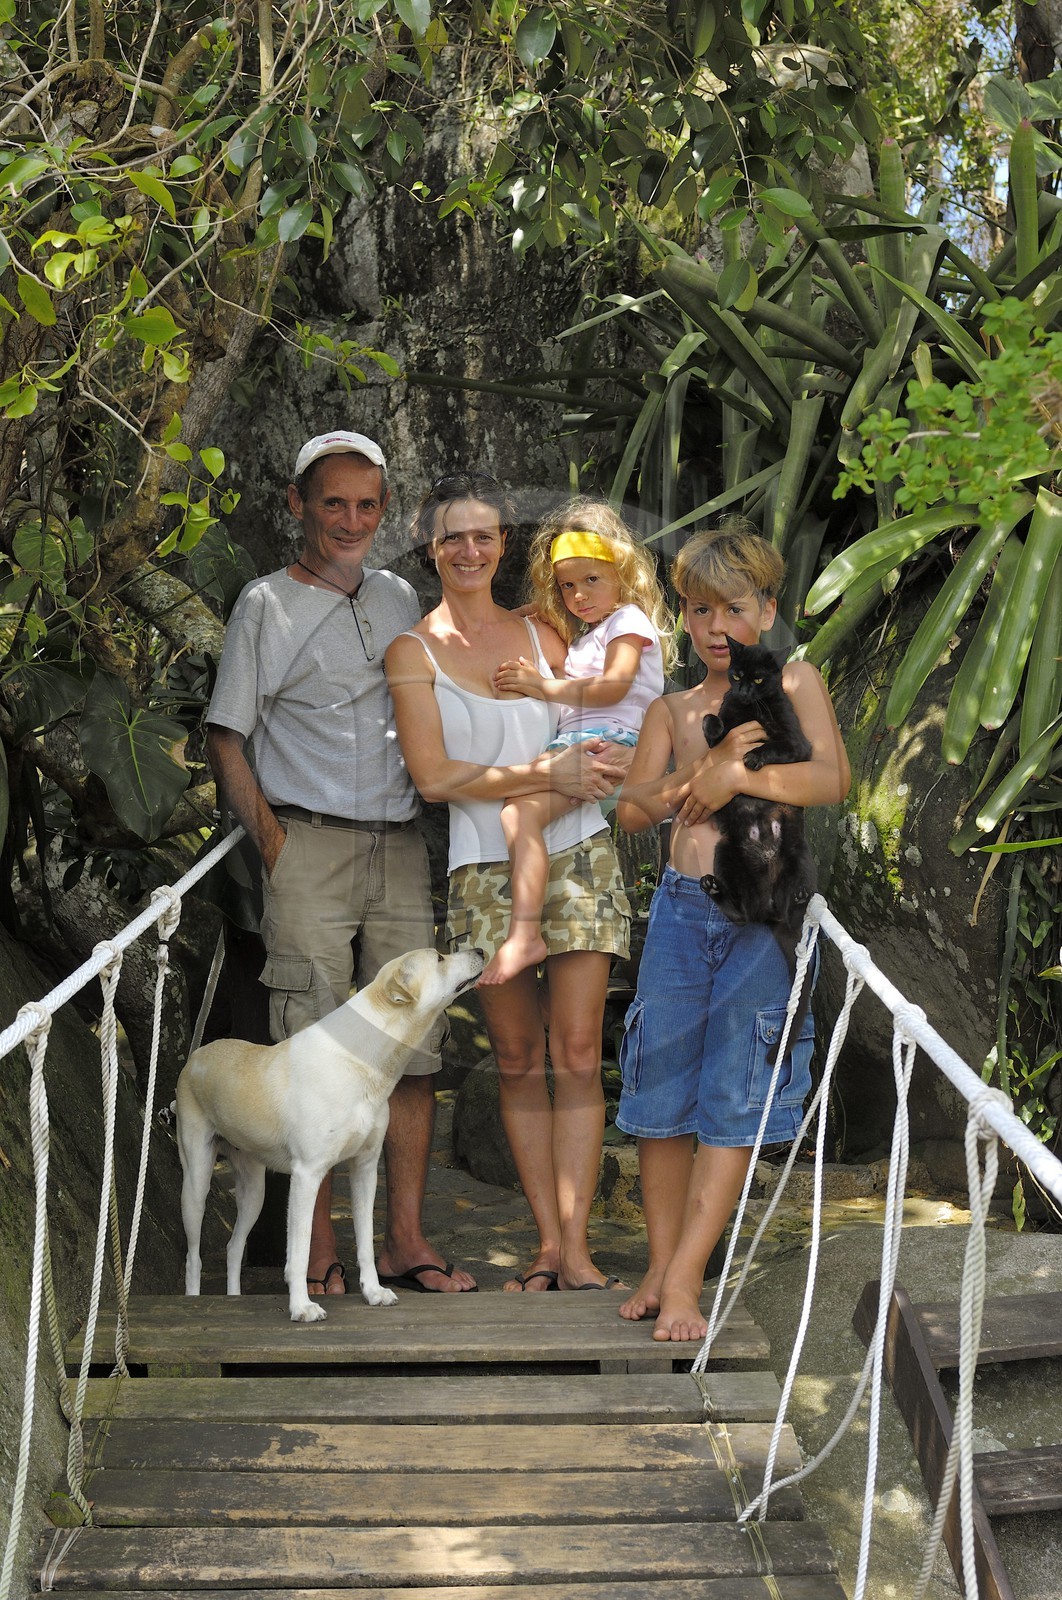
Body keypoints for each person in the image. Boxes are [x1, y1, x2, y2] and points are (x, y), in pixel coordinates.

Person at [205, 430, 476, 1297]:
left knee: (413, 1044)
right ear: (298, 505)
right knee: (308, 1045)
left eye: (366, 505)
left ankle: (404, 1242)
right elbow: (226, 736)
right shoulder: (264, 604)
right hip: (307, 843)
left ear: (383, 509)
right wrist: (275, 845)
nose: (350, 521)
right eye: (333, 503)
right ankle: (314, 1254)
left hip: (400, 844)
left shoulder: (398, 596)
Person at [384, 472, 633, 1292]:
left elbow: (605, 710)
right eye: (453, 536)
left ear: (502, 544)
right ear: (429, 546)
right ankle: (547, 1246)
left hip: (579, 852)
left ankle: (579, 1250)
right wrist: (542, 773)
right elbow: (433, 777)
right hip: (483, 869)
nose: (470, 550)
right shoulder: (412, 651)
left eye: (484, 535)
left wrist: (606, 765)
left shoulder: (543, 631)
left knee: (578, 1052)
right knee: (519, 1060)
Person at [614, 525, 851, 1341]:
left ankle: (686, 1277)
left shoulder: (795, 680)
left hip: (761, 916)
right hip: (681, 911)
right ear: (683, 616)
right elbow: (631, 810)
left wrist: (741, 773)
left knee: (734, 1091)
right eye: (701, 610)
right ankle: (660, 1263)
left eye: (736, 609)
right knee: (661, 1088)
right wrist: (696, 775)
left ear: (768, 610)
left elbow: (830, 778)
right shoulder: (673, 708)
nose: (718, 627)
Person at [481, 499, 675, 985]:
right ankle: (529, 930)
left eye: (592, 579)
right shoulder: (593, 631)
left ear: (622, 573)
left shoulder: (628, 621)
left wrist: (542, 687)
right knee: (515, 812)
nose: (579, 595)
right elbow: (532, 612)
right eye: (567, 585)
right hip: (589, 742)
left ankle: (525, 934)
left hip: (604, 744)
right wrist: (503, 619)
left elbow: (613, 687)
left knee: (517, 814)